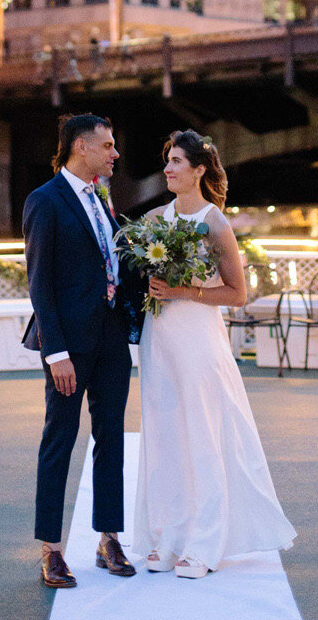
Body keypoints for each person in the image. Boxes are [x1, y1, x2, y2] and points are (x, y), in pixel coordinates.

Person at [132, 130, 296, 578]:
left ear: (199, 169)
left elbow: (238, 294)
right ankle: (166, 536)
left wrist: (183, 289)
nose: (167, 169)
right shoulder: (153, 222)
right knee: (164, 433)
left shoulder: (215, 222)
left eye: (177, 162)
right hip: (159, 336)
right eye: (167, 161)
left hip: (198, 338)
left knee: (202, 435)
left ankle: (205, 543)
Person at [21, 114, 146, 589]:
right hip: (69, 347)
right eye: (108, 145)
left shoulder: (101, 199)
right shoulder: (44, 201)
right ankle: (51, 550)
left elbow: (110, 264)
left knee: (111, 436)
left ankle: (108, 538)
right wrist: (56, 353)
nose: (115, 154)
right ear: (80, 146)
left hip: (111, 339)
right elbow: (41, 284)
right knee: (60, 438)